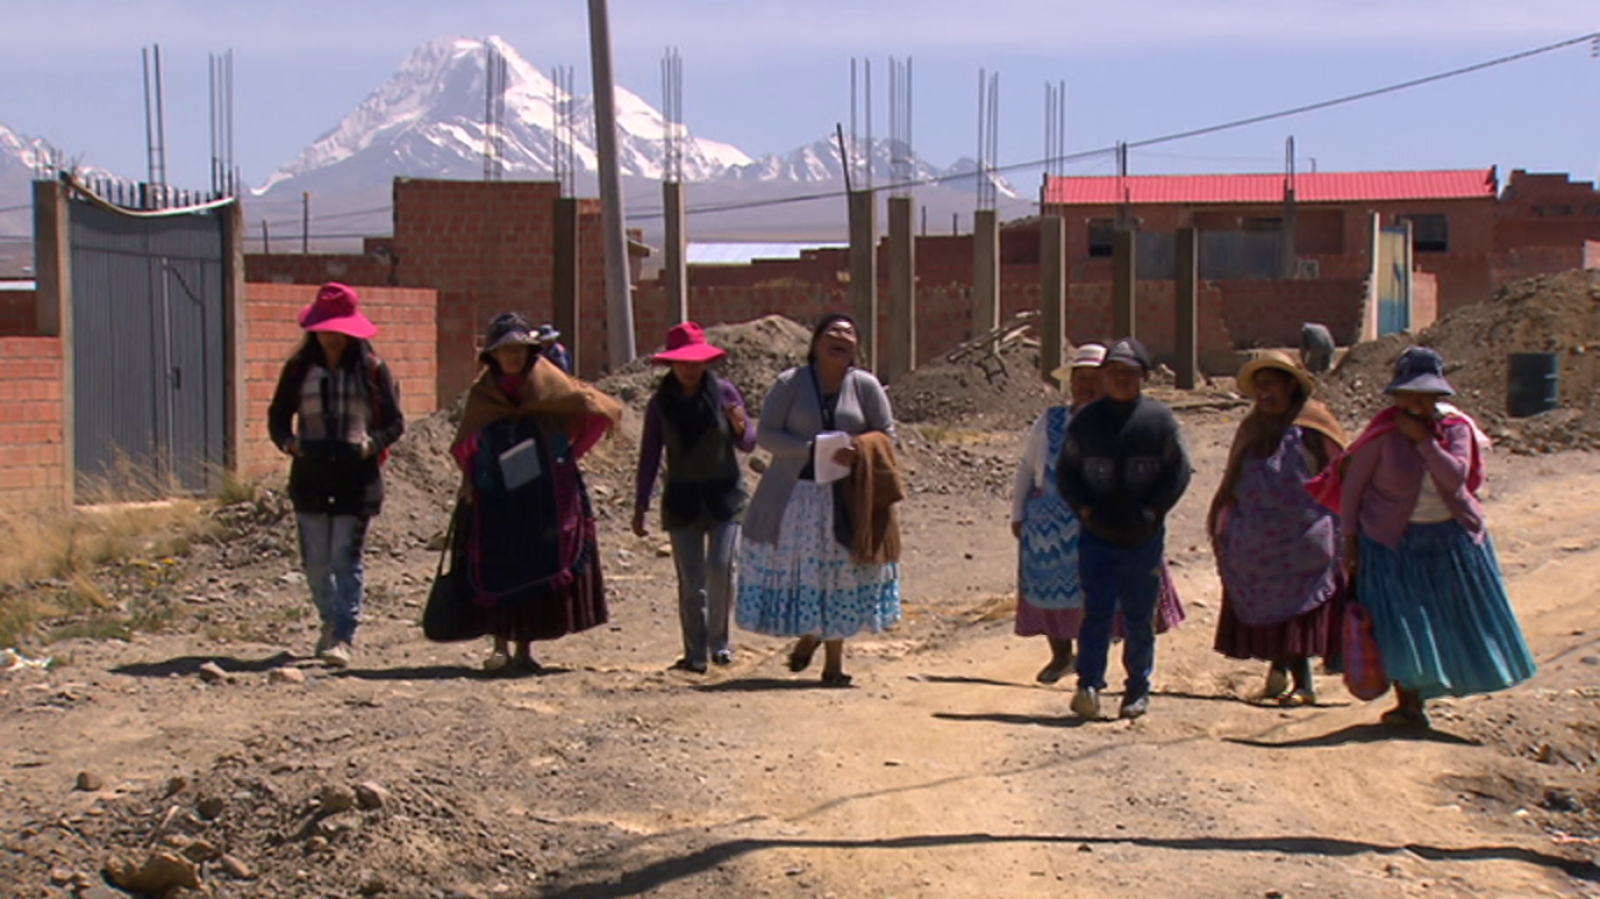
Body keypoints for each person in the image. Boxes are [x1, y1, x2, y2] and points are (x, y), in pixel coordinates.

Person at [1339, 346, 1534, 727]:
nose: (1416, 403)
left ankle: (1438, 688)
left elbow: (1455, 478)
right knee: (1400, 622)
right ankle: (1410, 704)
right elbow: (1353, 491)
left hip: (1450, 541)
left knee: (1450, 621)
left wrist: (1424, 442)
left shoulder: (1456, 430)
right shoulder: (1380, 435)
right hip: (1392, 543)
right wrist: (1349, 543)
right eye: (1408, 395)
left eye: (1425, 396)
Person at [451, 312, 620, 673]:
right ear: (492, 356)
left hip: (545, 495)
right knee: (497, 561)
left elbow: (597, 411)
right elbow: (468, 442)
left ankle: (525, 647)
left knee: (536, 561)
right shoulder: (484, 396)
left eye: (518, 349)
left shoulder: (550, 385)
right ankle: (499, 645)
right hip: (497, 495)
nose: (512, 357)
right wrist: (470, 479)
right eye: (504, 350)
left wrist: (569, 454)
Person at [737, 314, 901, 687]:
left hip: (850, 497)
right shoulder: (790, 384)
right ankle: (812, 634)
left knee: (842, 572)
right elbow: (767, 434)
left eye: (849, 333)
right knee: (815, 573)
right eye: (832, 331)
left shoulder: (865, 386)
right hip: (798, 498)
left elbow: (887, 434)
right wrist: (810, 450)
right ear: (815, 342)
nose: (840, 337)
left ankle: (833, 664)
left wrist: (859, 450)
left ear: (856, 347)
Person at [1010, 343, 1186, 684]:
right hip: (1052, 526)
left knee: (1117, 598)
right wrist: (1019, 514)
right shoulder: (1051, 421)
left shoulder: (1132, 420)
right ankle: (1062, 656)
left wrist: (1149, 511)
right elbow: (1028, 468)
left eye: (1093, 378)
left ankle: (1124, 675)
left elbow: (1171, 470)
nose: (1085, 386)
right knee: (1051, 589)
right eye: (1079, 379)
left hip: (1115, 524)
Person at [267, 282, 405, 669]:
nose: (331, 336)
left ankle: (344, 634)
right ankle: (328, 620)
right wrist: (290, 444)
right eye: (325, 328)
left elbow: (395, 423)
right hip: (310, 474)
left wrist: (369, 445)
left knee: (345, 558)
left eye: (338, 329)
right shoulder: (298, 369)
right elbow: (278, 416)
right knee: (315, 560)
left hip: (356, 478)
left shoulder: (373, 370)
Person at [1056, 337, 1191, 720]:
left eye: (1129, 374)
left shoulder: (1159, 421)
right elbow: (1067, 472)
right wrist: (1083, 508)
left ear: (1144, 377)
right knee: (1096, 612)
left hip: (1142, 538)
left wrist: (1153, 510)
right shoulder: (1086, 422)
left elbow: (1178, 472)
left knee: (1138, 616)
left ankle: (1137, 689)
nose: (1120, 380)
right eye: (1113, 373)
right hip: (1096, 535)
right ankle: (1088, 685)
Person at [1208, 350, 1348, 706]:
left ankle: (1303, 682)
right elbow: (1233, 478)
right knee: (1268, 600)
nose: (1264, 394)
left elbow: (1343, 473)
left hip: (1303, 536)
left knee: (1299, 606)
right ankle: (1278, 667)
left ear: (1290, 385)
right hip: (1257, 537)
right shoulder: (1253, 427)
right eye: (1259, 388)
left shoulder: (1315, 426)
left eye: (1270, 385)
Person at [633, 322, 758, 674]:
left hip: (725, 497)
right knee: (691, 581)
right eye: (683, 362)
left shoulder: (724, 393)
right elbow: (650, 456)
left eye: (696, 362)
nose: (690, 369)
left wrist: (739, 424)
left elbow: (748, 443)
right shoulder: (660, 405)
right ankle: (695, 653)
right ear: (671, 364)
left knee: (721, 567)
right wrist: (641, 505)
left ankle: (720, 643)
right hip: (682, 500)